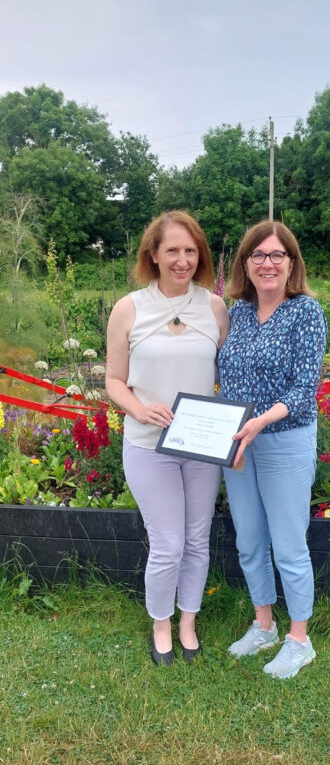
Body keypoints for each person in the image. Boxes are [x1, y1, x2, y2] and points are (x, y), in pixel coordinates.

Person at [106, 211, 229, 665]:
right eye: (172, 250)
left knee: (197, 539)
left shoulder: (215, 308)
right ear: (153, 255)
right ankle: (161, 624)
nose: (182, 260)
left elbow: (224, 377)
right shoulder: (129, 308)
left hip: (201, 446)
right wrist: (140, 408)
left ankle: (188, 621)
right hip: (147, 443)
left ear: (201, 257)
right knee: (169, 543)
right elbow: (115, 379)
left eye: (190, 251)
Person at [218, 220, 327, 679]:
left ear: (291, 262)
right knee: (248, 540)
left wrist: (260, 420)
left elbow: (306, 387)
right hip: (238, 442)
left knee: (287, 544)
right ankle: (264, 625)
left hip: (284, 439)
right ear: (246, 263)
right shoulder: (237, 312)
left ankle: (299, 641)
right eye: (258, 255)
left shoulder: (306, 312)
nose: (267, 263)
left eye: (276, 255)